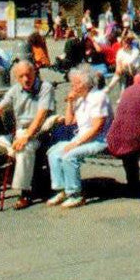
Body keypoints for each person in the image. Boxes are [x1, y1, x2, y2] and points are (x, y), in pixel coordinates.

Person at [0, 60, 57, 208]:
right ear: (16, 78)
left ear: (34, 73)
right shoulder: (15, 90)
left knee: (24, 148)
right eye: (21, 76)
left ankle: (25, 192)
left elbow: (41, 116)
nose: (25, 79)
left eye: (28, 75)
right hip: (19, 132)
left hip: (40, 132)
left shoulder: (45, 88)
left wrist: (26, 136)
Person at [44, 68, 111, 209]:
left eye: (76, 83)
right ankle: (61, 189)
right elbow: (69, 122)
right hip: (83, 137)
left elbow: (97, 127)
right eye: (72, 83)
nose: (73, 86)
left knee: (69, 155)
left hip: (99, 139)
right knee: (54, 152)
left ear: (87, 83)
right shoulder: (81, 99)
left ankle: (75, 194)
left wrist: (76, 143)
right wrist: (70, 102)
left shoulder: (99, 97)